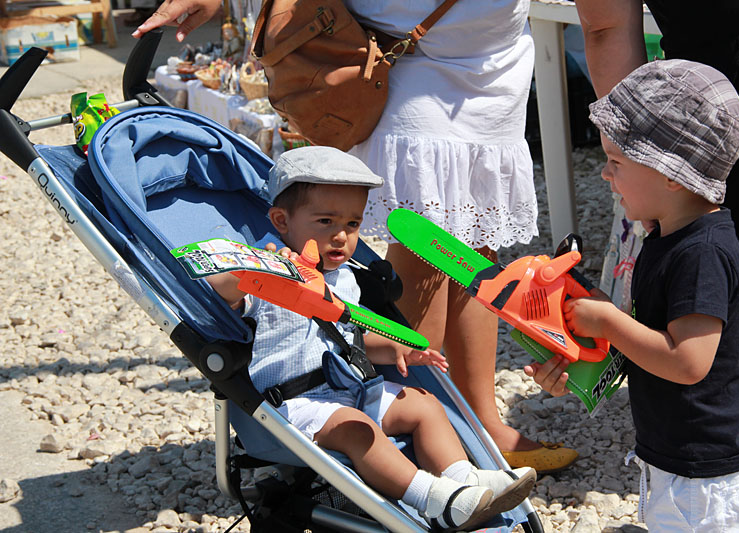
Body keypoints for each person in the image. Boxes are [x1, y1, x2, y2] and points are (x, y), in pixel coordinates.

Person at [133, 0, 580, 473]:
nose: (341, 235)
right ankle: (426, 429)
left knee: (476, 249)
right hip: (406, 61)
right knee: (425, 256)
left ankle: (479, 421)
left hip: (494, 68)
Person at [208, 146, 538, 532]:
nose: (341, 236)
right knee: (357, 428)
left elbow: (354, 338)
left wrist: (396, 348)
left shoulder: (346, 278)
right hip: (297, 404)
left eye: (352, 224)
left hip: (348, 387)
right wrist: (256, 269)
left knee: (424, 405)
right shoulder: (272, 277)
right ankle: (433, 500)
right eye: (326, 221)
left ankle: (463, 481)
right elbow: (221, 291)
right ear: (282, 220)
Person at [565, 2, 739, 529]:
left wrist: (607, 322)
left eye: (617, 162)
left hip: (715, 485)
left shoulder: (702, 253)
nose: (604, 175)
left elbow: (688, 361)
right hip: (685, 467)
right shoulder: (675, 237)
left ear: (671, 175)